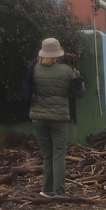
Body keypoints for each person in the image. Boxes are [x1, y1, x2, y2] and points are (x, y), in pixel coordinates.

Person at [22, 38, 84, 197]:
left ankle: (46, 190)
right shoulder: (66, 70)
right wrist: (77, 73)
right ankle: (59, 192)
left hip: (38, 117)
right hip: (58, 118)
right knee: (58, 155)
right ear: (58, 53)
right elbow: (80, 93)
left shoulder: (33, 68)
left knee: (47, 155)